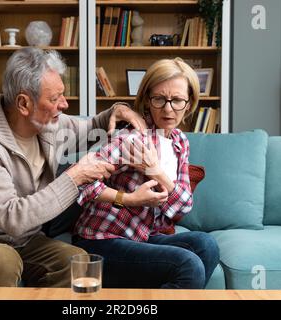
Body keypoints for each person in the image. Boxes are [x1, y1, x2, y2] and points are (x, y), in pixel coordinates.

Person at [0, 47, 147, 287]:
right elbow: (12, 218)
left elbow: (95, 126)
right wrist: (74, 178)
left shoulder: (49, 124)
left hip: (22, 241)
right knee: (2, 260)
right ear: (24, 103)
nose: (64, 105)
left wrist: (118, 109)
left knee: (76, 262)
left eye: (62, 95)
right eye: (54, 99)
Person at [72, 57, 220, 289]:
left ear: (189, 103)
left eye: (177, 100)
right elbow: (80, 182)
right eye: (159, 99)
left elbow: (183, 205)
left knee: (206, 245)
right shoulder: (132, 140)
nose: (168, 109)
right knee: (188, 265)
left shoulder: (180, 142)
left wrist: (155, 171)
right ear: (147, 100)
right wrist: (126, 199)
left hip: (141, 237)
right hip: (102, 240)